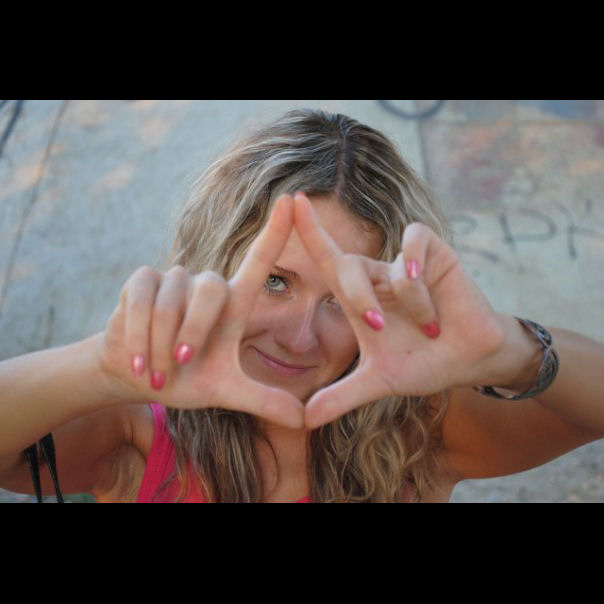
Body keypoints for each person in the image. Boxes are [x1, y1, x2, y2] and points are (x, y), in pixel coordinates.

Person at [1, 108, 603, 503]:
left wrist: (512, 351)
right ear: (216, 264)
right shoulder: (142, 428)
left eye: (341, 300)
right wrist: (99, 370)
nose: (300, 338)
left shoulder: (418, 432)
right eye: (275, 282)